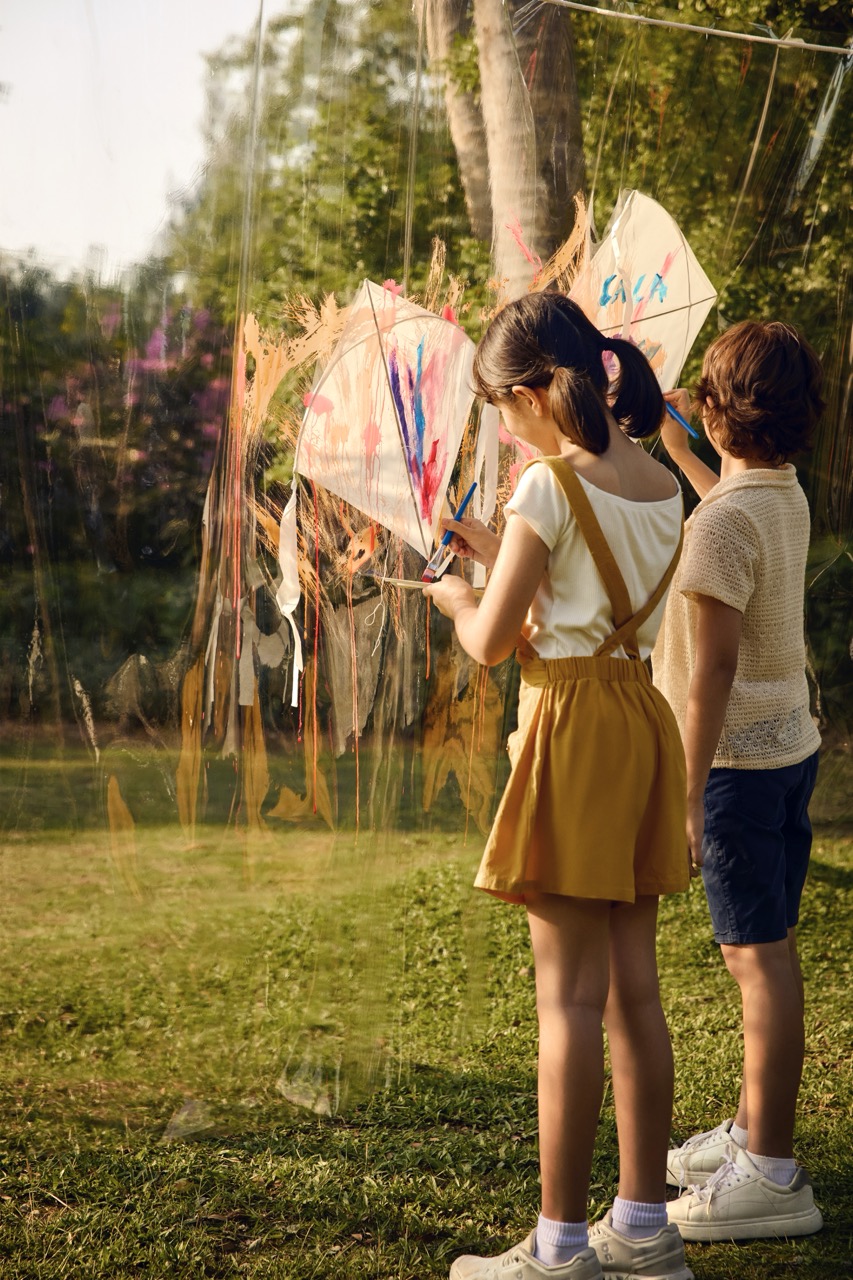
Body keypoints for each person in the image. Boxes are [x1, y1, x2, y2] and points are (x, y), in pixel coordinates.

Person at [425, 293, 693, 1280]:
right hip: (635, 717)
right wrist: (506, 571)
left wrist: (457, 594)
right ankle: (644, 1226)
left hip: (572, 730)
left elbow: (497, 640)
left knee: (566, 1001)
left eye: (503, 402)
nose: (501, 423)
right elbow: (591, 601)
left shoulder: (545, 485)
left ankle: (561, 1243)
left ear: (538, 390)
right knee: (633, 990)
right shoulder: (659, 483)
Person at [652, 320, 825, 1242]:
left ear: (721, 407)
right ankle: (758, 1132)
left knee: (756, 963)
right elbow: (730, 503)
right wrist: (683, 444)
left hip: (737, 769)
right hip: (787, 750)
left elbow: (708, 671)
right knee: (770, 947)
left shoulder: (720, 525)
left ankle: (771, 1175)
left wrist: (683, 794)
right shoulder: (776, 492)